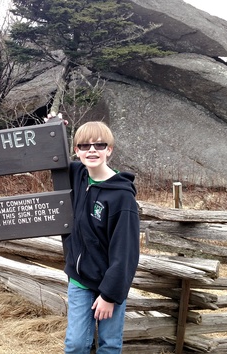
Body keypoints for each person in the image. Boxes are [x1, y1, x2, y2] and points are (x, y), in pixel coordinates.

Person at [60, 118, 140, 354]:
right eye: (84, 146)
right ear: (77, 151)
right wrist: (52, 127)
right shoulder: (78, 176)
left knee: (109, 344)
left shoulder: (122, 197)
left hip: (110, 284)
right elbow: (47, 156)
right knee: (75, 345)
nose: (92, 150)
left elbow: (125, 252)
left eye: (99, 145)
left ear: (109, 150)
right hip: (80, 280)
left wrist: (109, 295)